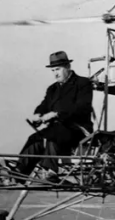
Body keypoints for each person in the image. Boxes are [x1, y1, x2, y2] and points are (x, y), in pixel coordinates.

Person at [13, 51, 94, 181]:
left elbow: (82, 108)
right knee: (35, 138)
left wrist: (56, 114)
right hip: (58, 130)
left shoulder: (82, 83)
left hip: (78, 129)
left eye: (58, 69)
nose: (55, 73)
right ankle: (20, 172)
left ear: (68, 67)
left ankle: (50, 171)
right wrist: (38, 115)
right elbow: (44, 105)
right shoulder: (52, 89)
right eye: (53, 70)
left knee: (52, 134)